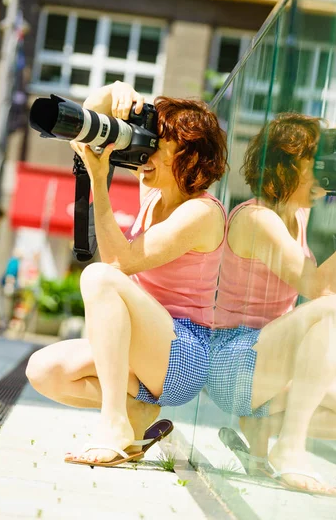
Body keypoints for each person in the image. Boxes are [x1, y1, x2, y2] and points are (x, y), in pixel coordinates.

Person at [25, 81, 228, 467]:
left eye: (157, 144)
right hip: (144, 349)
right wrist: (115, 92)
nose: (145, 151)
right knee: (44, 370)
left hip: (183, 353)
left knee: (99, 277)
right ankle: (137, 412)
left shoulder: (202, 212)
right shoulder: (154, 191)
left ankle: (114, 422)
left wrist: (100, 184)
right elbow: (89, 123)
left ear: (185, 153)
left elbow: (119, 264)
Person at [207, 113, 336, 495]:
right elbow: (317, 288)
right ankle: (289, 449)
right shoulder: (257, 219)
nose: (325, 173)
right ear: (287, 163)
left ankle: (262, 432)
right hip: (233, 361)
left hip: (268, 364)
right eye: (319, 162)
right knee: (329, 309)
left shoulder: (297, 214)